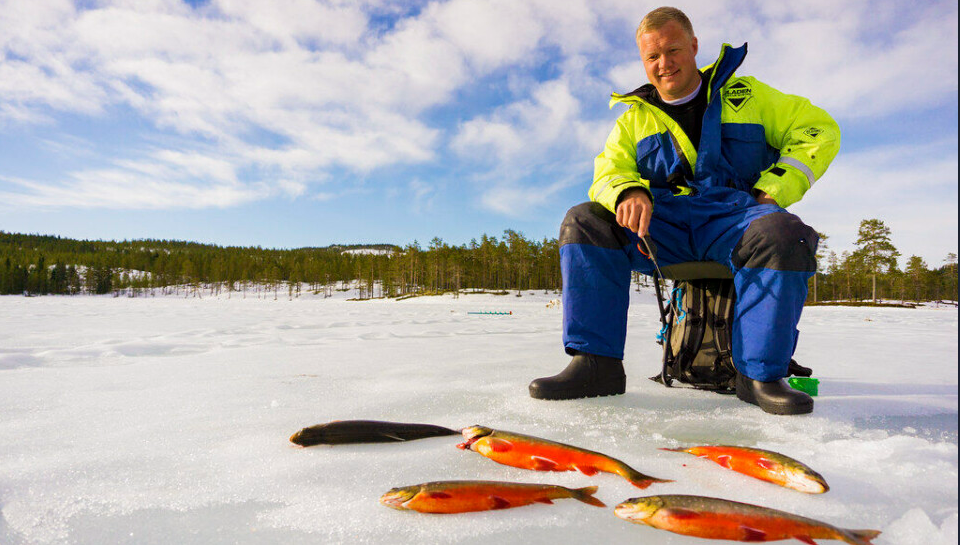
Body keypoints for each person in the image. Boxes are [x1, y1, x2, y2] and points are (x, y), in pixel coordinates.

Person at [528, 7, 840, 415]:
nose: (664, 64)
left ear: (693, 46)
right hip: (664, 228)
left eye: (673, 50)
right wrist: (627, 192)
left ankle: (760, 376)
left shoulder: (747, 95)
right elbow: (608, 171)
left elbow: (818, 130)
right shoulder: (633, 120)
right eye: (652, 57)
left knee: (785, 234)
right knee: (584, 220)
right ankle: (595, 365)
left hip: (735, 220)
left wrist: (775, 187)